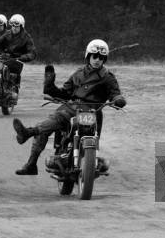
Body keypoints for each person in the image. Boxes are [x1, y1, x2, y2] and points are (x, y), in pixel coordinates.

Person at [11, 39, 126, 175]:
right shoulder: (78, 74)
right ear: (88, 56)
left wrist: (118, 99)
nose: (97, 60)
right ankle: (31, 164)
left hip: (92, 112)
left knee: (91, 136)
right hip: (72, 108)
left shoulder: (108, 77)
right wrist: (50, 86)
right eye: (95, 56)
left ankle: (29, 133)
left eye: (101, 58)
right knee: (51, 123)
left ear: (104, 59)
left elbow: (115, 93)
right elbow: (65, 93)